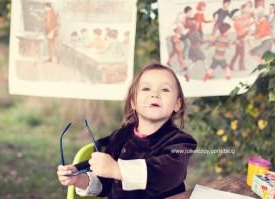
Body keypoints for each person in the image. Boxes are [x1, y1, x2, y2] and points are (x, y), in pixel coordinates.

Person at [57, 63, 197, 198]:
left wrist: (117, 170)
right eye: (146, 89)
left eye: (165, 89)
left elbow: (168, 174)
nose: (155, 94)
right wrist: (78, 179)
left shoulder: (180, 142)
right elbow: (104, 184)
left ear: (177, 104)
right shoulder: (120, 137)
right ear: (133, 102)